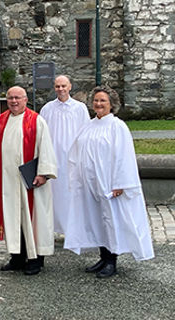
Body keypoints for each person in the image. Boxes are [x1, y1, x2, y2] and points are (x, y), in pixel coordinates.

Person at [64, 85, 154, 278]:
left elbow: (124, 156)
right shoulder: (88, 125)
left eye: (103, 100)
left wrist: (120, 183)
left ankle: (112, 260)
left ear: (111, 104)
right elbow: (76, 153)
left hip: (109, 183)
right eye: (96, 100)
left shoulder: (117, 126)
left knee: (111, 220)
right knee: (96, 220)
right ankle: (103, 256)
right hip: (90, 183)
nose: (98, 104)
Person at [0, 86, 57, 276]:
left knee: (34, 219)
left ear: (25, 100)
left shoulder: (36, 121)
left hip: (31, 181)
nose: (14, 101)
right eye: (10, 98)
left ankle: (36, 259)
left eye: (17, 98)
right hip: (8, 180)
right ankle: (17, 256)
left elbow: (45, 148)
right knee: (13, 219)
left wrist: (44, 173)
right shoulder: (1, 120)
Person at [38, 75, 90, 235]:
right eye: (57, 86)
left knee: (72, 192)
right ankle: (53, 227)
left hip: (73, 158)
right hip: (54, 157)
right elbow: (41, 133)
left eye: (63, 86)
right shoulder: (47, 109)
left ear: (70, 87)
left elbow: (86, 132)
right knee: (55, 194)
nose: (61, 89)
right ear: (54, 88)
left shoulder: (80, 108)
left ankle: (74, 229)